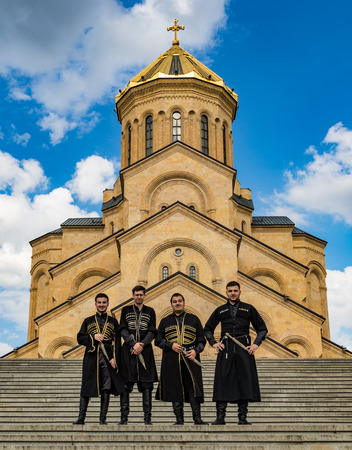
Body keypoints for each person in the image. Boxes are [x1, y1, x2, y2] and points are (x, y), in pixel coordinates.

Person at [204, 281, 267, 425]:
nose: (233, 293)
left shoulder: (248, 309)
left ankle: (242, 418)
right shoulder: (220, 310)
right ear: (226, 292)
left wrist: (255, 344)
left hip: (243, 350)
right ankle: (220, 418)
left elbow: (262, 329)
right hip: (225, 349)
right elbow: (207, 328)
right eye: (230, 291)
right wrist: (213, 343)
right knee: (222, 381)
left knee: (244, 381)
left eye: (235, 291)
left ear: (240, 292)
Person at [73, 292, 125, 425]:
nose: (101, 305)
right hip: (91, 357)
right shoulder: (88, 321)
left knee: (106, 388)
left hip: (107, 358)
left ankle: (103, 418)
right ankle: (81, 418)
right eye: (99, 302)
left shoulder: (113, 322)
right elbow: (80, 338)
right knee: (86, 387)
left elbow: (117, 342)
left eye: (104, 302)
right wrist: (93, 337)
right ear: (95, 304)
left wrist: (114, 358)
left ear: (107, 304)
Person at [155, 293, 207, 425]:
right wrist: (170, 345)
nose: (177, 303)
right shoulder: (165, 321)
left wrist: (196, 351)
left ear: (184, 302)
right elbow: (158, 340)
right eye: (174, 301)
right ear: (171, 304)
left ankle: (197, 418)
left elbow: (201, 340)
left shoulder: (194, 319)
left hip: (190, 358)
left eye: (179, 301)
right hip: (172, 360)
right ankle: (179, 419)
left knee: (193, 388)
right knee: (175, 387)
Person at [118, 285, 158, 425]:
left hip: (145, 352)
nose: (139, 297)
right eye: (136, 294)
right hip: (128, 352)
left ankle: (147, 418)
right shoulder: (126, 310)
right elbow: (122, 329)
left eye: (141, 294)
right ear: (133, 295)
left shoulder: (150, 311)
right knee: (125, 385)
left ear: (144, 295)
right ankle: (124, 418)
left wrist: (141, 344)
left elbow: (152, 331)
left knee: (146, 386)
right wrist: (132, 343)